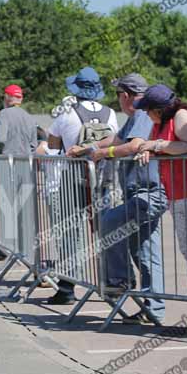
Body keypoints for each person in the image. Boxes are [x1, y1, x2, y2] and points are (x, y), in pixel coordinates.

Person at [71, 74, 168, 324]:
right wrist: (86, 149)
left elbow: (134, 145)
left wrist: (103, 153)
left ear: (125, 96)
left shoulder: (142, 115)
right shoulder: (136, 117)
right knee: (146, 252)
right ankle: (153, 308)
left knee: (108, 222)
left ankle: (119, 281)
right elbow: (114, 139)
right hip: (141, 192)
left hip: (149, 193)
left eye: (118, 95)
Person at [136, 84, 187, 332]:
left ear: (160, 109)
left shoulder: (183, 117)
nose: (146, 115)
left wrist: (158, 146)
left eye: (148, 110)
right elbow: (165, 147)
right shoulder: (160, 123)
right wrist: (150, 149)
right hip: (179, 194)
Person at [40, 66, 119, 305]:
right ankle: (110, 282)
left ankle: (67, 286)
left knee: (70, 233)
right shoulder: (111, 113)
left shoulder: (67, 114)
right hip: (102, 177)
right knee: (104, 230)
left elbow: (53, 148)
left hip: (72, 177)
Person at [0, 84, 38, 156]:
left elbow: (0, 139)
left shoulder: (4, 114)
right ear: (21, 99)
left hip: (6, 162)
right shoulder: (30, 117)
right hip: (26, 162)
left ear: (7, 97)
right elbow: (33, 145)